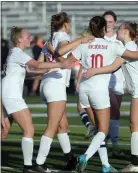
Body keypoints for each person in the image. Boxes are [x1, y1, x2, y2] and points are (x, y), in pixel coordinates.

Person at [65, 16, 138, 173]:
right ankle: (84, 157)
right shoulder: (111, 45)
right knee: (103, 131)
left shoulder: (84, 44)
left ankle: (106, 165)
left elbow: (67, 61)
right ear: (103, 29)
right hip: (99, 91)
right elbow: (132, 55)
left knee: (97, 131)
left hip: (84, 89)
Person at [83, 21, 138, 172]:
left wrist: (94, 71)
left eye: (120, 29)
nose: (117, 31)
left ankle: (135, 164)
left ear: (126, 32)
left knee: (135, 126)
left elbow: (112, 67)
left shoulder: (128, 48)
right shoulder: (131, 47)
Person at [1, 26, 72, 173]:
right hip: (11, 96)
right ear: (19, 39)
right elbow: (38, 64)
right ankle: (28, 167)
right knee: (29, 129)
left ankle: (28, 166)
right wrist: (60, 64)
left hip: (9, 95)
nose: (30, 38)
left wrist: (46, 70)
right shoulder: (17, 53)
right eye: (27, 36)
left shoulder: (15, 53)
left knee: (4, 131)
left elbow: (28, 72)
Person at [34, 12, 92, 172]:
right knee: (53, 126)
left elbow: (38, 66)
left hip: (46, 84)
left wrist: (56, 58)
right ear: (65, 23)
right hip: (55, 85)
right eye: (69, 22)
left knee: (62, 125)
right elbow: (62, 49)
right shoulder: (63, 36)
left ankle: (70, 159)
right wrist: (80, 40)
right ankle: (39, 163)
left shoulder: (49, 40)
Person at [102, 11, 125, 157]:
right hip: (103, 81)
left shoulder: (121, 40)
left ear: (115, 23)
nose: (108, 24)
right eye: (105, 21)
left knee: (115, 114)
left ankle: (113, 145)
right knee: (105, 114)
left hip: (118, 80)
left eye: (110, 22)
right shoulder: (98, 40)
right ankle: (105, 144)